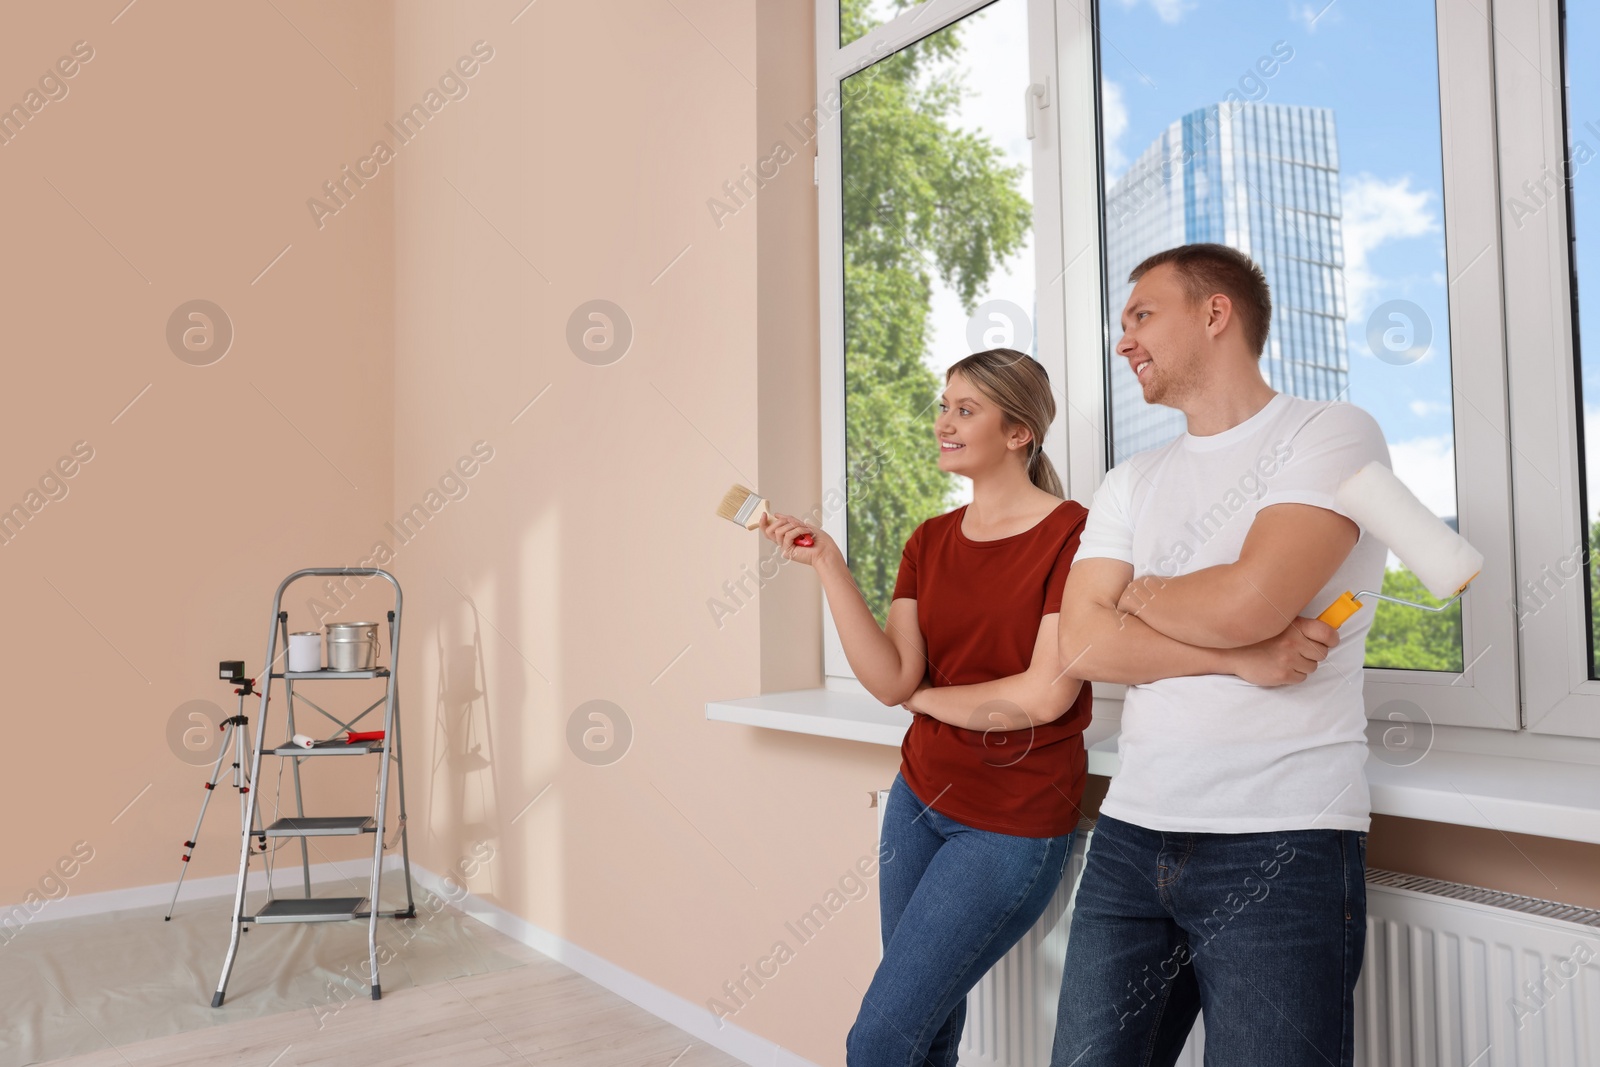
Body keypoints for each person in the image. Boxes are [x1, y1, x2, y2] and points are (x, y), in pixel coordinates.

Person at [1050, 243, 1390, 1067]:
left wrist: (1142, 590)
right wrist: (1239, 659)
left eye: (1141, 315)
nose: (1123, 340)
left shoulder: (1330, 432)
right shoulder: (1131, 478)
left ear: (1214, 313)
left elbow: (1253, 600)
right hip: (1133, 831)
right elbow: (1081, 642)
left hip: (1282, 837)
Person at [762, 348, 1091, 1066]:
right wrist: (827, 563)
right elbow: (890, 678)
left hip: (1009, 823)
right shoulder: (929, 540)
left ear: (1018, 432)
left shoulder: (1074, 533)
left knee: (880, 1038)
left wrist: (926, 699)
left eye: (965, 409)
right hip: (918, 800)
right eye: (943, 405)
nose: (943, 421)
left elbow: (1041, 694)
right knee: (926, 1027)